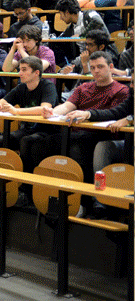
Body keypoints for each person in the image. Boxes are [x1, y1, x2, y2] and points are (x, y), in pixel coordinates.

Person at [45, 52, 129, 197]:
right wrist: (52, 112)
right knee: (42, 143)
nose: (96, 70)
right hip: (77, 133)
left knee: (77, 147)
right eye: (93, 67)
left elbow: (113, 115)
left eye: (100, 67)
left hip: (103, 136)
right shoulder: (84, 87)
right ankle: (42, 192)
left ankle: (83, 198)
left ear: (110, 67)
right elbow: (66, 107)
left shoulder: (121, 90)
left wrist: (87, 114)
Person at [0, 56, 58, 174]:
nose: (20, 73)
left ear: (36, 73)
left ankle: (25, 185)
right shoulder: (21, 87)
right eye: (19, 69)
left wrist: (17, 111)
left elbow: (44, 108)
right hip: (27, 130)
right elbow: (0, 103)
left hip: (47, 130)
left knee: (27, 142)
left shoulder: (48, 86)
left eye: (24, 69)